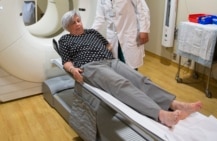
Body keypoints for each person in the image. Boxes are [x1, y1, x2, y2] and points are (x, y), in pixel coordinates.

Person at [59, 10, 202, 127]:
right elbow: (66, 61)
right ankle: (160, 114)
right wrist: (73, 70)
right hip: (90, 67)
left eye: (79, 20)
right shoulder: (65, 40)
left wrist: (109, 52)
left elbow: (107, 44)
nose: (78, 24)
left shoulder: (92, 33)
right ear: (67, 27)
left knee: (140, 79)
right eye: (73, 23)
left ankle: (175, 104)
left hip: (110, 61)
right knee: (121, 84)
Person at [92, 0, 150, 70]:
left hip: (129, 34)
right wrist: (90, 34)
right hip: (113, 37)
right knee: (117, 67)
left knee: (131, 69)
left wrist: (144, 30)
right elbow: (99, 18)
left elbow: (142, 9)